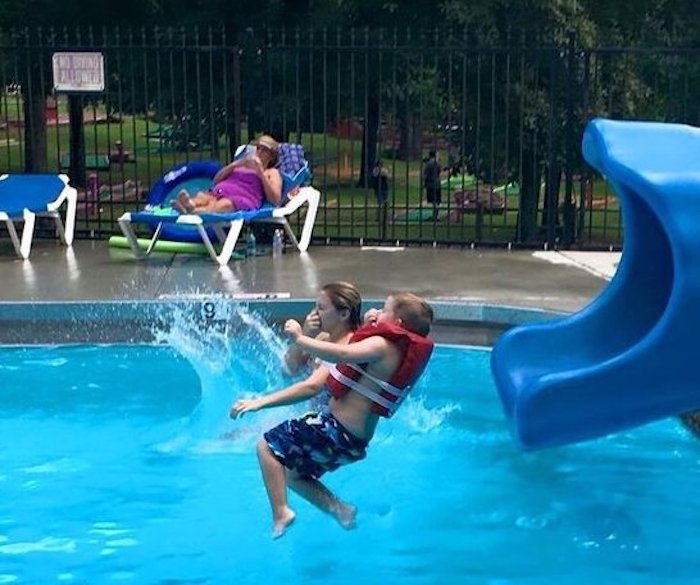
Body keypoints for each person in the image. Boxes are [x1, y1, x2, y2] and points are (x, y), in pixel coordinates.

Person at [255, 291, 434, 539]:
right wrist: (377, 323)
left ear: (398, 324)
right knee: (293, 475)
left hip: (334, 430)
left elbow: (342, 354)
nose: (377, 313)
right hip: (353, 441)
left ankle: (281, 512)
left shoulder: (382, 345)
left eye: (384, 310)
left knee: (266, 446)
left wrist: (299, 337)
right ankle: (340, 509)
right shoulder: (395, 349)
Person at [229, 282, 362, 418]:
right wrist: (305, 334)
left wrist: (259, 403)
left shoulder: (346, 348)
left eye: (321, 308)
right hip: (314, 415)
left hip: (329, 424)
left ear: (344, 314)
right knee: (233, 435)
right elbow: (288, 370)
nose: (313, 314)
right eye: (314, 307)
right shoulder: (323, 338)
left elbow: (312, 387)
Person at [172, 134, 283, 214]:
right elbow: (216, 180)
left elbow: (275, 199)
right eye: (258, 148)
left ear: (271, 156)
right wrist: (237, 164)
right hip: (219, 192)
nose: (259, 152)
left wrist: (260, 172)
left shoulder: (271, 172)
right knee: (203, 197)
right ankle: (189, 204)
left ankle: (192, 211)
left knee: (225, 204)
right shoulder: (242, 165)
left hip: (242, 198)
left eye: (264, 150)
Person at [423, 150, 442, 218]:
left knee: (433, 201)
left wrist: (424, 183)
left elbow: (425, 175)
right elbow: (439, 172)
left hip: (431, 184)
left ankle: (435, 215)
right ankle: (436, 215)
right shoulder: (437, 164)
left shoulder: (428, 164)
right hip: (437, 183)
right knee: (437, 200)